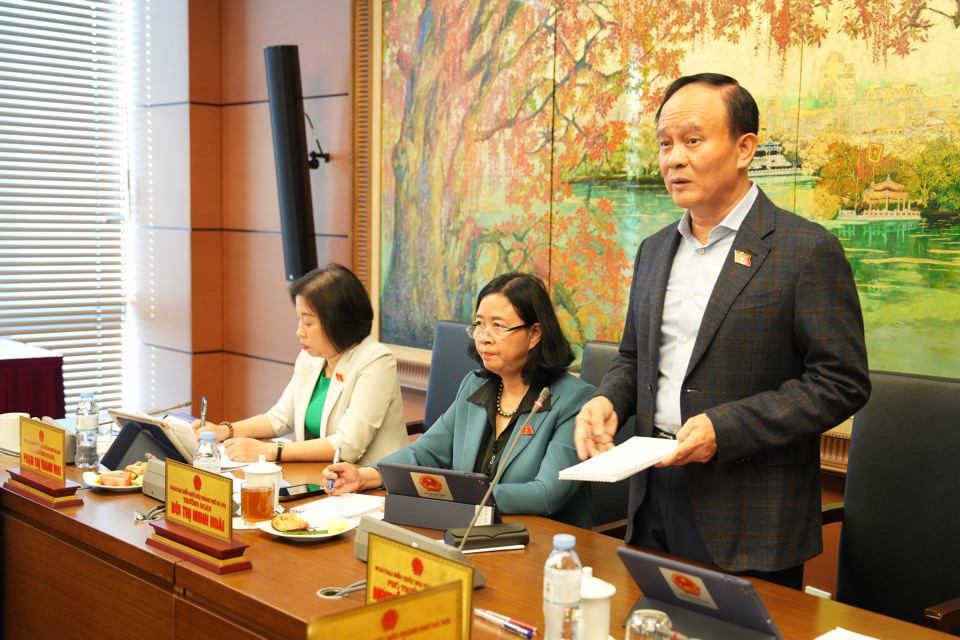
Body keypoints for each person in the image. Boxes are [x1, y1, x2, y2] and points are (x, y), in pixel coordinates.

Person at [574, 73, 870, 588]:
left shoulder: (804, 250)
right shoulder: (653, 250)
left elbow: (840, 381)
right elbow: (633, 358)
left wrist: (725, 429)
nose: (673, 159)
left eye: (692, 140)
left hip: (749, 511)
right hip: (652, 491)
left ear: (744, 148)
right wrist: (609, 401)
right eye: (665, 144)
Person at [323, 272, 597, 528]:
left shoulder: (573, 400)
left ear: (535, 334)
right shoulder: (475, 385)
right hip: (467, 528)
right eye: (479, 325)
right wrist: (365, 476)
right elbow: (425, 452)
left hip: (544, 544)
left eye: (498, 326)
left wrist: (458, 495)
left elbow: (546, 494)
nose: (483, 338)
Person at [194, 263, 408, 464]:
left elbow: (349, 444)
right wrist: (225, 430)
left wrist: (272, 451)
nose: (300, 331)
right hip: (320, 477)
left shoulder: (376, 361)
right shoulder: (311, 358)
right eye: (299, 319)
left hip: (372, 487)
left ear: (338, 322)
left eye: (308, 322)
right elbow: (280, 418)